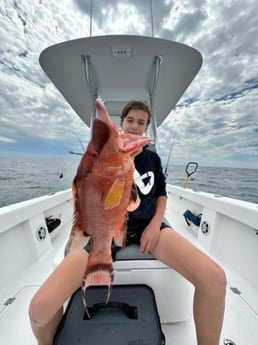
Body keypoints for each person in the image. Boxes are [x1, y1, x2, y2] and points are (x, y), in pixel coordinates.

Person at [29, 100, 226, 345]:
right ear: (121, 122)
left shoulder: (152, 159)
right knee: (39, 308)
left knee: (215, 279)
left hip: (147, 227)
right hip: (106, 231)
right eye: (130, 120)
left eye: (141, 122)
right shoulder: (101, 155)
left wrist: (155, 225)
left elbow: (162, 195)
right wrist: (76, 234)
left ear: (146, 128)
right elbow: (85, 195)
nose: (135, 126)